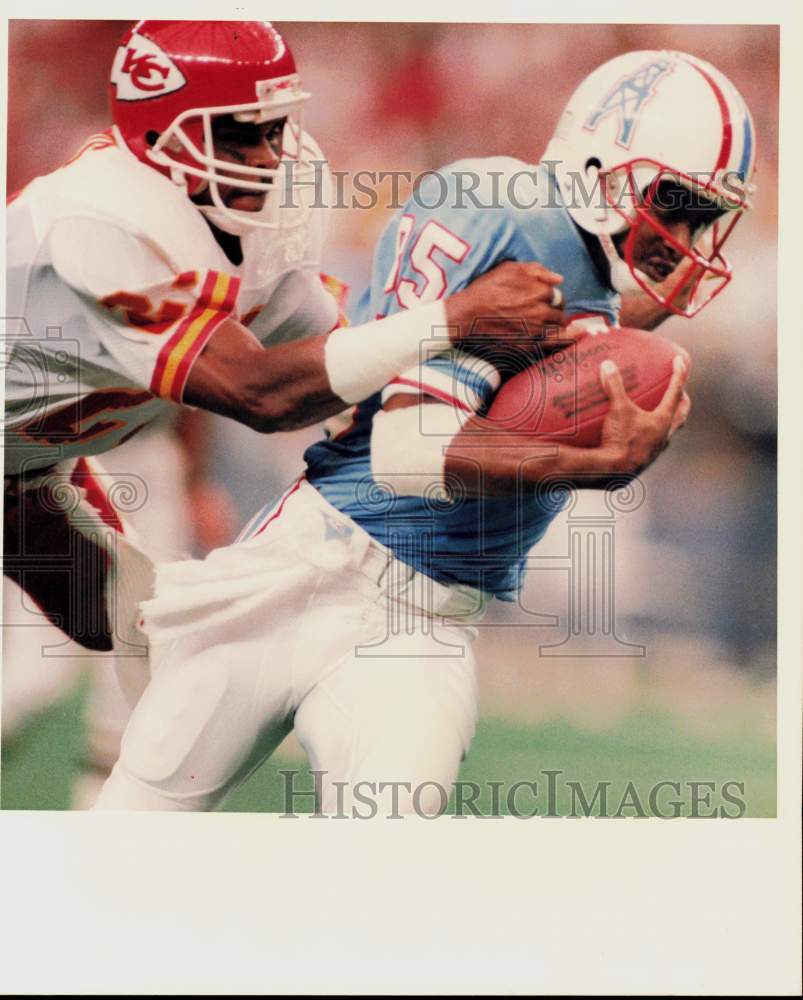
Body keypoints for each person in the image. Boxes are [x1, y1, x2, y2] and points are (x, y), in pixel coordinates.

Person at [93, 49, 755, 814]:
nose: (683, 231)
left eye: (701, 214)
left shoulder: (581, 261)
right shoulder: (503, 212)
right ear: (599, 158)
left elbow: (583, 319)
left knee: (387, 869)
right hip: (309, 572)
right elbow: (404, 455)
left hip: (425, 621)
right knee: (133, 830)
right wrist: (587, 461)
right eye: (673, 200)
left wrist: (641, 347)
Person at [3, 20, 569, 713]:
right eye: (239, 133)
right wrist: (454, 318)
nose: (269, 156)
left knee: (142, 626)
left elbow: (338, 355)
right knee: (131, 636)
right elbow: (259, 393)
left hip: (24, 466)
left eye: (274, 128)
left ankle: (131, 809)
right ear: (156, 133)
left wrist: (529, 353)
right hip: (27, 452)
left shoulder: (268, 200)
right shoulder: (99, 221)